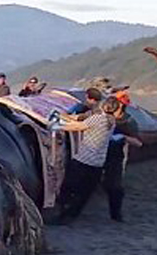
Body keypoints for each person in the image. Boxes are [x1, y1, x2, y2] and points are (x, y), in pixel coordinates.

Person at [51, 96, 124, 225]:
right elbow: (81, 123)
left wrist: (57, 126)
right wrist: (65, 118)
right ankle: (71, 215)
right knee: (84, 193)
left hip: (83, 160)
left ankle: (61, 215)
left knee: (68, 188)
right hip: (97, 163)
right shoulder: (111, 121)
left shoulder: (98, 118)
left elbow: (78, 126)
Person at [101, 90, 143, 222]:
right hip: (99, 152)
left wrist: (123, 137)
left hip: (116, 155)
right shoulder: (104, 116)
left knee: (114, 186)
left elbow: (138, 143)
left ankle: (116, 214)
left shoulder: (128, 121)